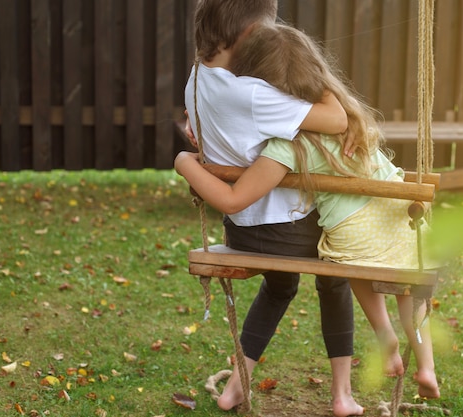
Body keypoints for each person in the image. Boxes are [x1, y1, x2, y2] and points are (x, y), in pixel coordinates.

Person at [175, 23, 440, 400]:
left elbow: (236, 191)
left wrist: (187, 156)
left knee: (321, 275)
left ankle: (242, 383)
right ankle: (378, 382)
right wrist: (322, 80)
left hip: (292, 231)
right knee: (375, 283)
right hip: (393, 215)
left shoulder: (284, 141)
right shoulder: (351, 125)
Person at [183, 1, 363, 416]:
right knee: (336, 274)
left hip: (242, 228)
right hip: (285, 228)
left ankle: (235, 387)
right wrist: (305, 60)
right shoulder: (250, 94)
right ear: (248, 34)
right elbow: (336, 118)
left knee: (281, 284)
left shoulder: (196, 81)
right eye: (270, 30)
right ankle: (342, 396)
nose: (273, 38)